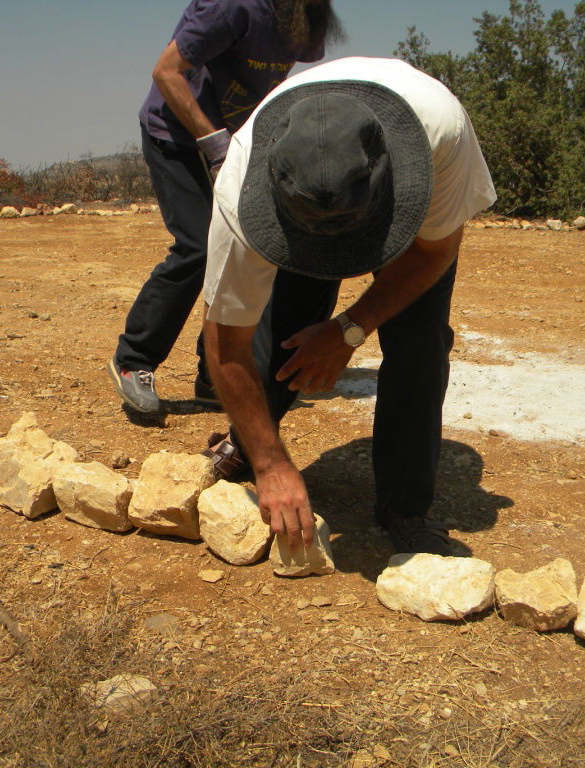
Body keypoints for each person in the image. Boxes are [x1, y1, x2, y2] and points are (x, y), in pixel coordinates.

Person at [200, 56, 497, 555]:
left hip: (397, 193)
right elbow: (226, 340)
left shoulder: (440, 133)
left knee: (419, 342)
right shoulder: (239, 187)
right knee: (288, 330)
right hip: (295, 202)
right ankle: (253, 446)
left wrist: (348, 330)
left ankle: (404, 506)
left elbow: (435, 251)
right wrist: (273, 464)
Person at [109, 0, 343, 414]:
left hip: (237, 141)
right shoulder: (232, 5)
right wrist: (214, 144)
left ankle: (212, 375)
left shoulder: (308, 12)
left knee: (243, 249)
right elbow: (166, 71)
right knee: (199, 247)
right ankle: (134, 360)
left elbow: (275, 78)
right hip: (177, 135)